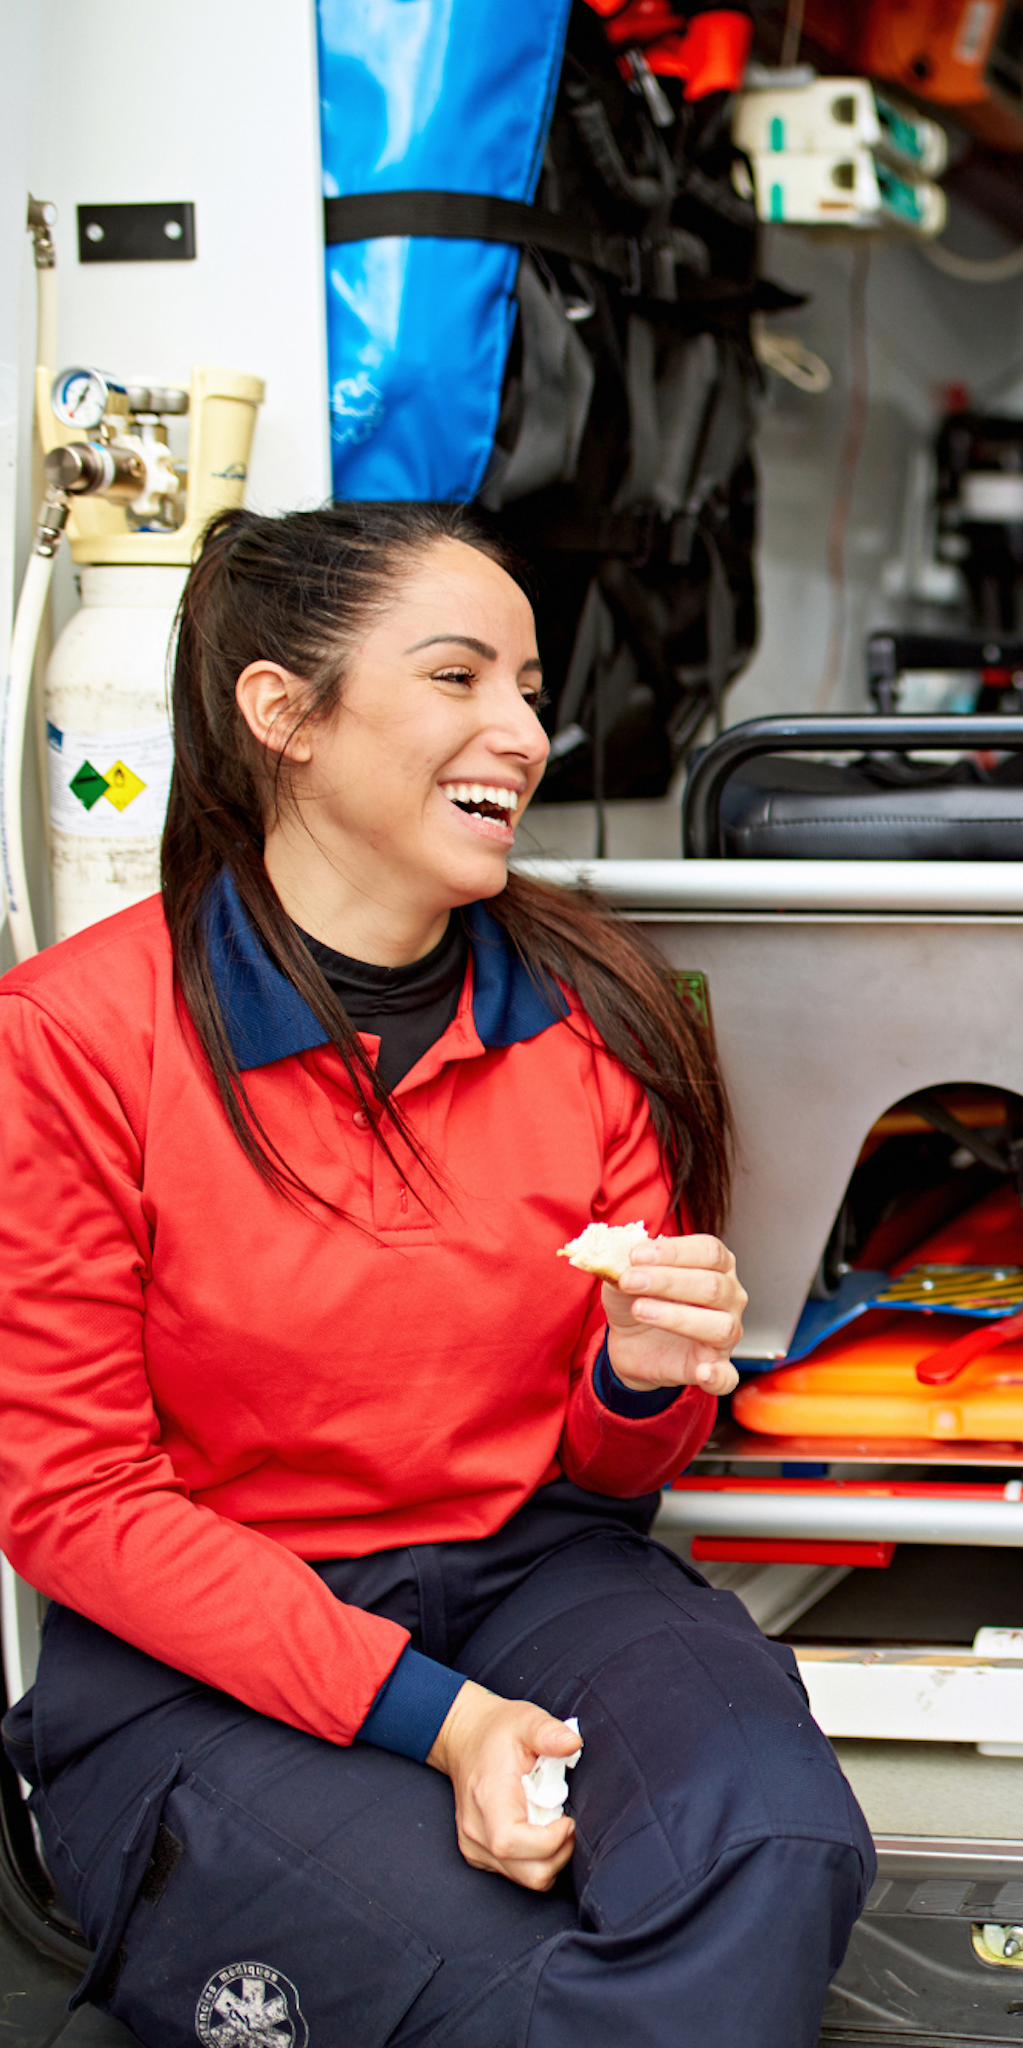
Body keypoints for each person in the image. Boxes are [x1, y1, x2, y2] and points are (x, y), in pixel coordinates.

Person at [0, 503, 874, 2047]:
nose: (521, 733)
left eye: (529, 688)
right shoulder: (75, 1039)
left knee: (773, 1845)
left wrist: (641, 1378)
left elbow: (615, 1475)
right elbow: (75, 1502)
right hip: (208, 1661)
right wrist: (444, 1722)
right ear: (285, 715)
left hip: (538, 1580)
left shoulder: (590, 1015)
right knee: (497, 1988)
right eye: (458, 677)